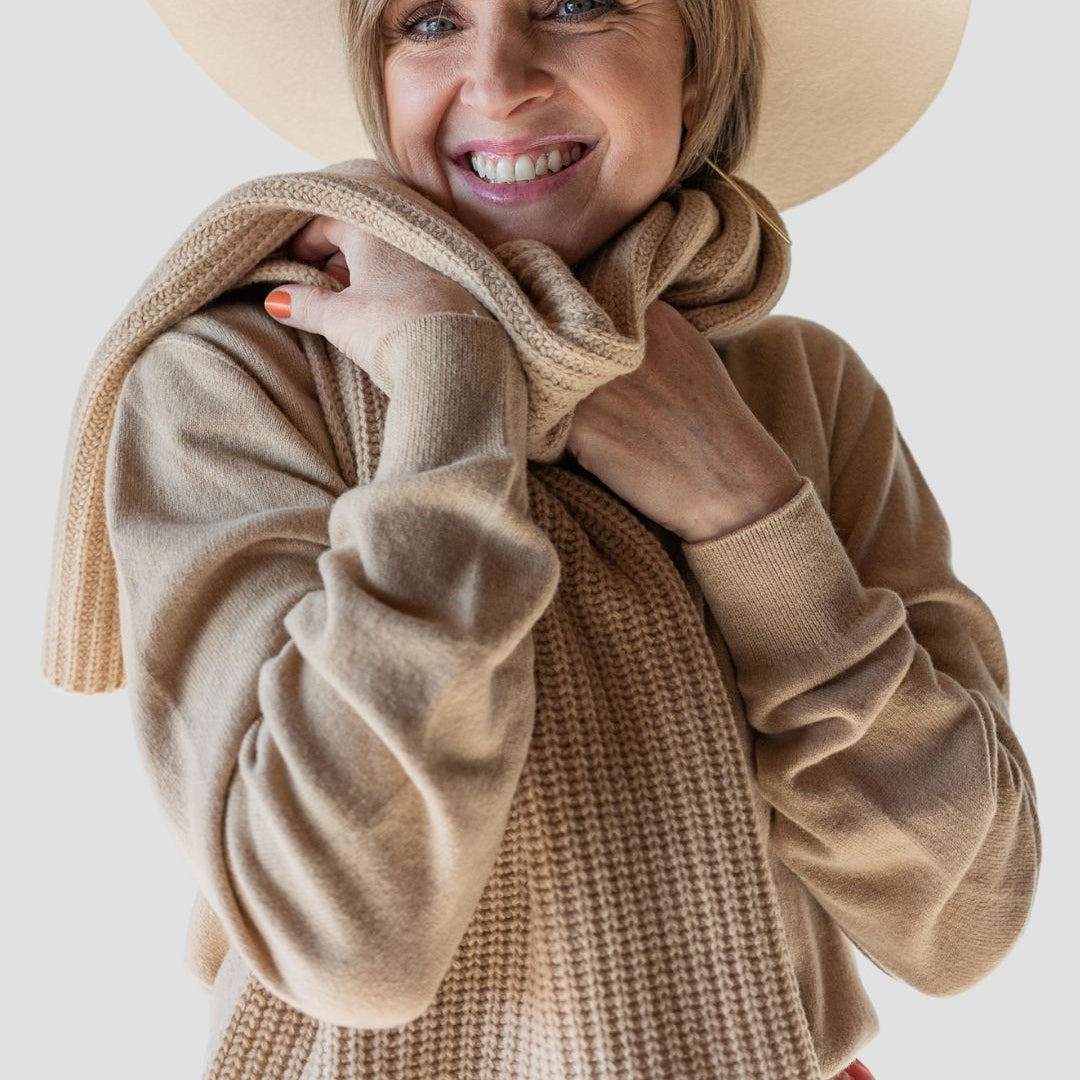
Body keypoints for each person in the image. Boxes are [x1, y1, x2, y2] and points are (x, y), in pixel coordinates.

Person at [41, 2, 1041, 1079]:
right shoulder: (234, 383)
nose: (498, 76)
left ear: (697, 68)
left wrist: (747, 509)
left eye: (574, 2)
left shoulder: (803, 394)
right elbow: (339, 940)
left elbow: (959, 920)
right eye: (426, 19)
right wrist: (449, 390)